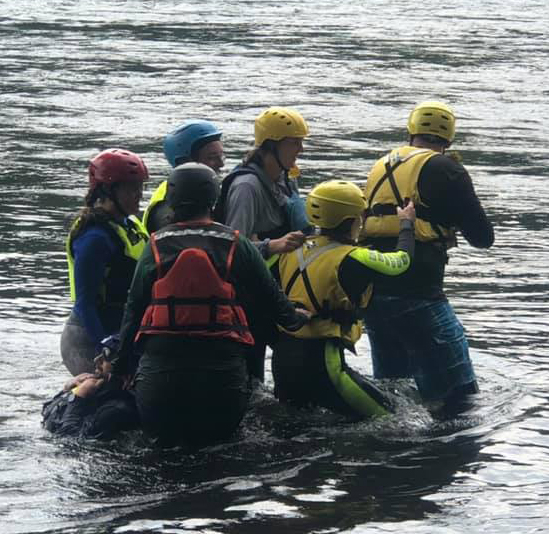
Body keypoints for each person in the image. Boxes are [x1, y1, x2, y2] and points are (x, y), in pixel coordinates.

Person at [112, 163, 308, 447]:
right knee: (219, 453)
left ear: (172, 200)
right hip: (223, 376)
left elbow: (133, 313)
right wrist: (300, 316)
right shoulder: (237, 244)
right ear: (214, 200)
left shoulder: (154, 245)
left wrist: (120, 369)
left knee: (161, 454)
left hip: (160, 377)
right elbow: (277, 305)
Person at [360, 101, 494, 413]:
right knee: (462, 398)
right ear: (449, 139)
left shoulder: (382, 164)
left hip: (374, 295)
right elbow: (482, 238)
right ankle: (455, 443)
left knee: (395, 395)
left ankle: (388, 442)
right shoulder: (447, 169)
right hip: (419, 294)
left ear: (411, 132)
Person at [271, 180, 417, 420]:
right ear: (351, 221)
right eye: (361, 216)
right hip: (323, 363)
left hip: (282, 357)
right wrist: (406, 224)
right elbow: (402, 262)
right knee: (394, 420)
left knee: (293, 426)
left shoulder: (286, 248)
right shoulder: (354, 257)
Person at [213, 106, 312, 380]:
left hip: (275, 289)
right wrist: (271, 245)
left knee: (295, 362)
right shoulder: (247, 187)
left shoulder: (283, 178)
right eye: (294, 142)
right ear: (272, 145)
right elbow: (229, 248)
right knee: (252, 368)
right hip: (248, 296)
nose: (301, 149)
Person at [61, 148, 150, 375]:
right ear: (108, 191)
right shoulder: (94, 238)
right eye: (131, 188)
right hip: (89, 339)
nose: (139, 194)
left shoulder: (130, 224)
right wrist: (105, 346)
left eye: (140, 187)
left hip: (120, 329)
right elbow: (85, 303)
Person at [43, 335, 140, 439]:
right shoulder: (99, 391)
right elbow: (46, 413)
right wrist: (67, 391)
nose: (96, 360)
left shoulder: (115, 410)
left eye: (106, 354)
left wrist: (77, 398)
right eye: (100, 352)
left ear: (126, 375)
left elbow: (67, 439)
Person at [142, 120, 224, 233]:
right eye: (212, 157)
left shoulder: (200, 191)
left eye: (221, 156)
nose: (221, 164)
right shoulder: (167, 204)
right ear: (184, 162)